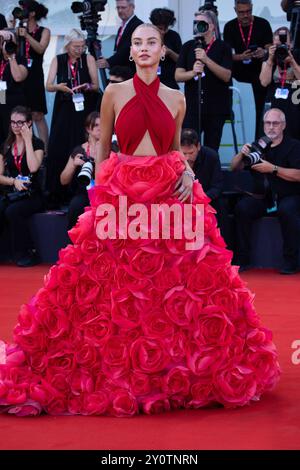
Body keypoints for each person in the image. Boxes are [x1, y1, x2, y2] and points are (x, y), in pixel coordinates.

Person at [0, 24, 280, 417]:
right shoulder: (114, 92)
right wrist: (99, 194)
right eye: (137, 43)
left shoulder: (176, 97)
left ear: (162, 50)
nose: (144, 48)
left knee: (175, 282)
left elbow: (171, 150)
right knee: (114, 282)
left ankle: (171, 366)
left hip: (168, 190)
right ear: (130, 52)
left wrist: (186, 172)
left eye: (152, 42)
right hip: (123, 192)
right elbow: (103, 148)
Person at [232, 108, 300, 274]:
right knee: (242, 208)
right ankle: (243, 258)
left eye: (275, 123)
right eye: (268, 123)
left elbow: (298, 175)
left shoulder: (294, 146)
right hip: (264, 197)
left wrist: (273, 169)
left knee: (287, 210)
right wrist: (241, 155)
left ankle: (291, 261)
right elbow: (235, 168)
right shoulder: (258, 145)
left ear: (283, 125)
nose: (271, 127)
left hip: (288, 195)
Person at [46, 29, 99, 207]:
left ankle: (82, 186)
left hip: (84, 105)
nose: (79, 50)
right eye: (76, 46)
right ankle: (58, 192)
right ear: (67, 46)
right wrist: (59, 87)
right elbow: (49, 85)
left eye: (82, 46)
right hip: (65, 105)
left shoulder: (88, 59)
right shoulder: (58, 60)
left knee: (80, 141)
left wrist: (86, 86)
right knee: (59, 145)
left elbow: (96, 85)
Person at [175, 10, 232, 151]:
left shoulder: (223, 47)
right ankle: (189, 173)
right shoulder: (188, 46)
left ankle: (209, 172)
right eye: (196, 23)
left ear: (212, 26)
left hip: (215, 107)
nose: (198, 26)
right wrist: (193, 72)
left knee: (212, 148)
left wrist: (207, 60)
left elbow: (226, 76)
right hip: (192, 107)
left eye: (202, 23)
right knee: (188, 146)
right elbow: (178, 75)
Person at [0, 106, 44, 267]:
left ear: (29, 123)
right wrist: (13, 181)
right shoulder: (6, 145)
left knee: (13, 211)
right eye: (13, 122)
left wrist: (27, 140)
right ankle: (4, 252)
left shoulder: (37, 144)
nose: (16, 126)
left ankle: (25, 252)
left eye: (20, 122)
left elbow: (33, 167)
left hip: (32, 194)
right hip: (12, 192)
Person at [223, 0, 273, 139]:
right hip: (237, 77)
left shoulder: (263, 24)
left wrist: (263, 51)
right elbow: (226, 54)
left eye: (248, 12)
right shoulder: (229, 27)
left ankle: (258, 143)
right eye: (241, 12)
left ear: (252, 8)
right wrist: (240, 57)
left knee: (260, 112)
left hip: (259, 76)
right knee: (239, 114)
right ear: (235, 10)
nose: (245, 15)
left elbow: (270, 46)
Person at [180, 128, 231, 248]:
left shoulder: (211, 156)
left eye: (191, 153)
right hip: (182, 200)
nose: (187, 158)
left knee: (221, 207)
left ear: (198, 146)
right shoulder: (175, 158)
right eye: (184, 154)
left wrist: (201, 199)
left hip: (207, 199)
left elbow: (217, 186)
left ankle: (222, 249)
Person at [17, 1, 50, 148]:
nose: (22, 12)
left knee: (37, 115)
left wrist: (27, 36)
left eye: (25, 9)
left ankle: (44, 151)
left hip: (35, 75)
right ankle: (23, 148)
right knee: (20, 114)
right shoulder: (18, 30)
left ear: (32, 13)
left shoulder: (44, 31)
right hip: (18, 74)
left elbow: (41, 49)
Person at [60, 111, 100, 230]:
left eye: (103, 125)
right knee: (75, 206)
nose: (100, 129)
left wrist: (99, 158)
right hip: (85, 193)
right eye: (96, 125)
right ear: (88, 129)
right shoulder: (79, 150)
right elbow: (63, 180)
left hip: (106, 191)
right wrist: (73, 165)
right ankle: (75, 244)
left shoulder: (112, 147)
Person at [259, 27, 300, 140]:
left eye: (284, 45)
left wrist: (292, 61)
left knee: (294, 136)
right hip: (275, 101)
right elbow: (264, 82)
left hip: (295, 101)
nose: (281, 48)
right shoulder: (270, 56)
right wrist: (270, 59)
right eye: (277, 45)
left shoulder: (297, 54)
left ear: (291, 44)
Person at [97, 0, 143, 71]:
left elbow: (127, 49)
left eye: (123, 7)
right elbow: (119, 51)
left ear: (132, 7)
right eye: (118, 8)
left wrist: (109, 62)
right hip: (122, 72)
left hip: (131, 73)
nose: (120, 10)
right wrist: (109, 60)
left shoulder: (138, 26)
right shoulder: (122, 26)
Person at [0, 32, 28, 146]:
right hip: (1, 100)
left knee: (12, 135)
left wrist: (11, 57)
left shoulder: (20, 60)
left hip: (13, 103)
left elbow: (18, 77)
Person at [149, 8, 182, 89]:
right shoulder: (147, 36)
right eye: (160, 28)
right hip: (150, 81)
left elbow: (181, 60)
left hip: (170, 83)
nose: (163, 31)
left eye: (166, 28)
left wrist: (170, 52)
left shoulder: (174, 36)